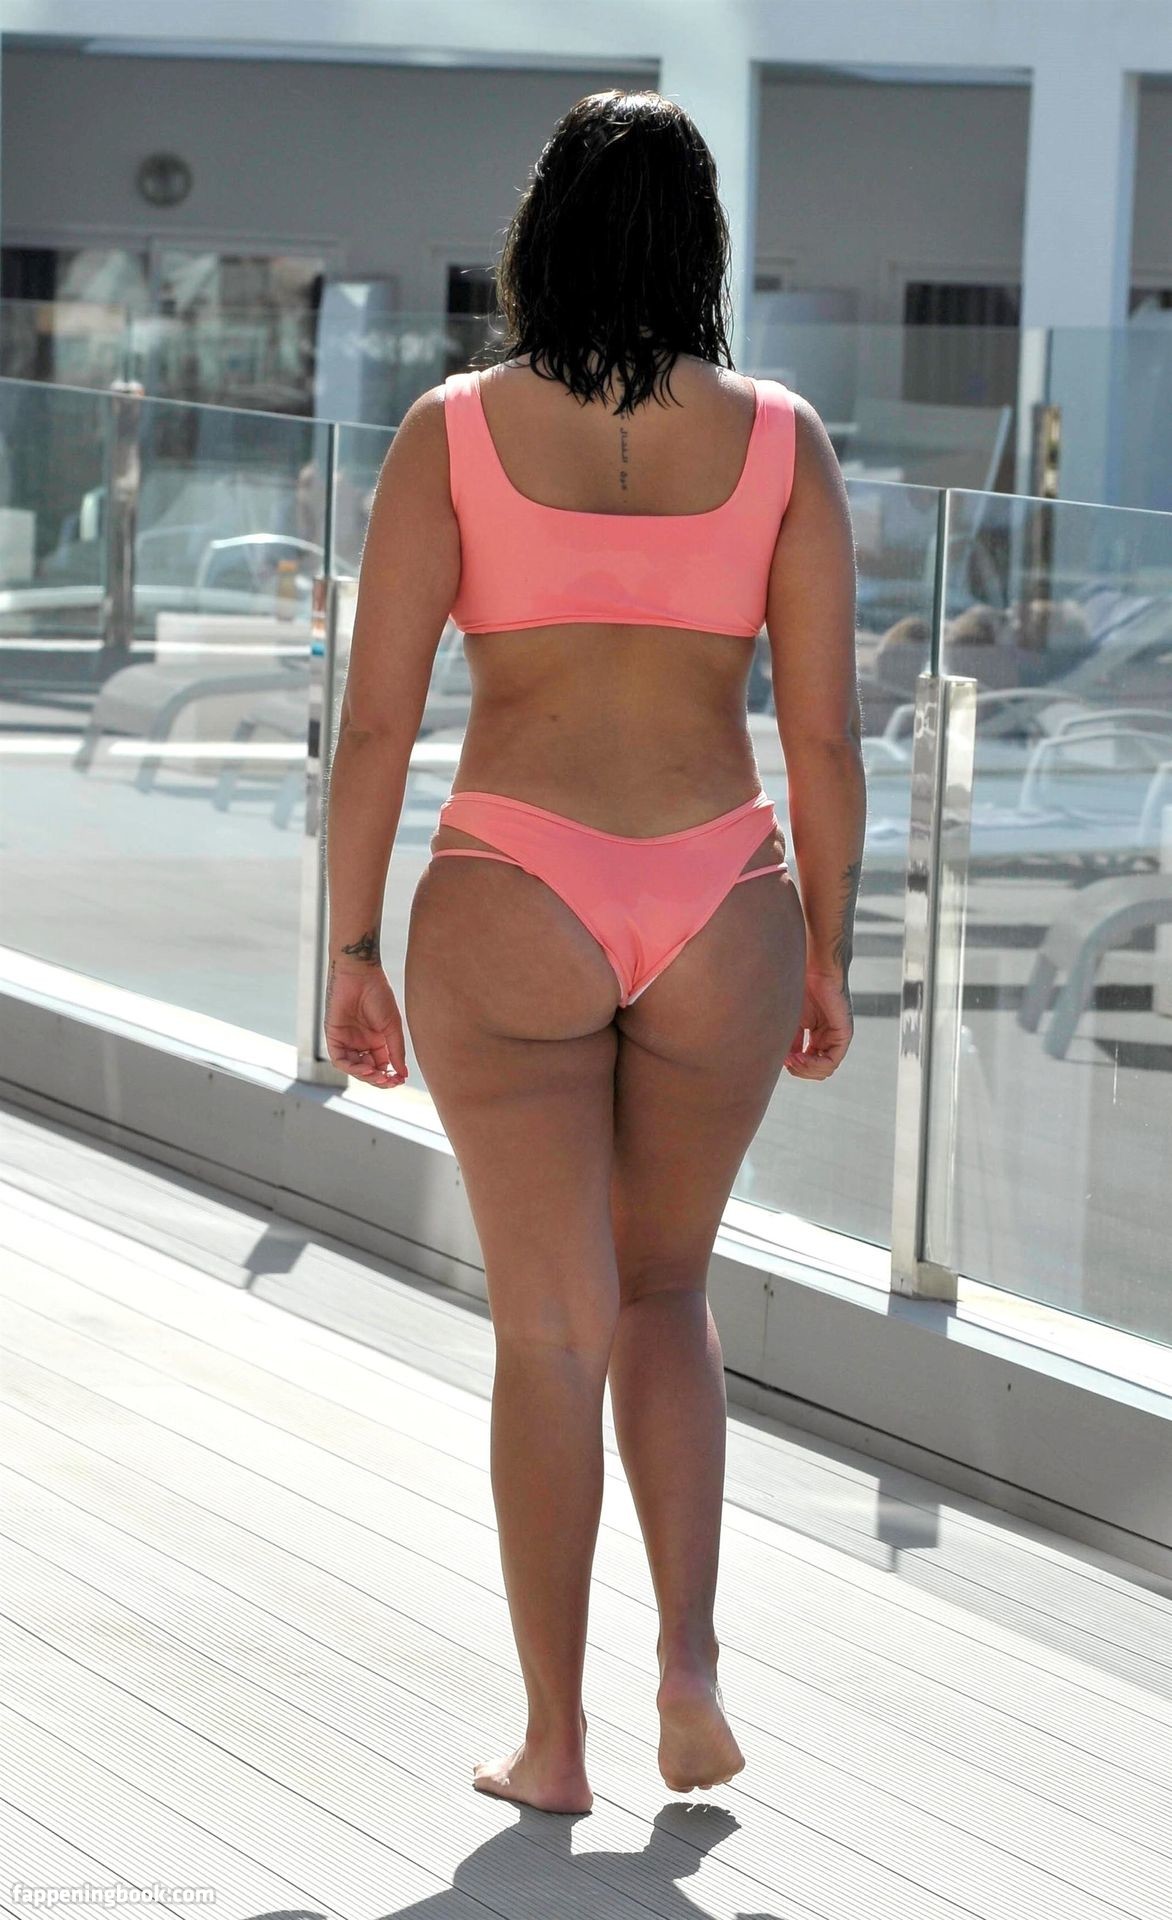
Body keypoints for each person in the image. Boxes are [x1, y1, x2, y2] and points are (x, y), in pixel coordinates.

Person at [322, 89, 864, 1817]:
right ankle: (688, 1668)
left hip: (513, 881)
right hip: (721, 890)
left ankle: (553, 1743)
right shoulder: (782, 440)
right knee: (667, 1291)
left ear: (538, 233)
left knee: (548, 1328)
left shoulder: (452, 432)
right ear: (701, 245)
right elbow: (827, 739)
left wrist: (351, 944)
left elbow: (376, 726)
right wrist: (828, 950)